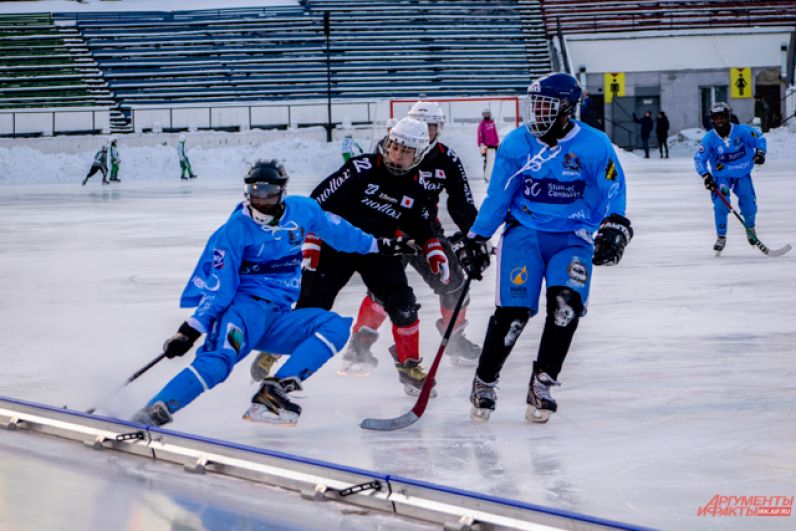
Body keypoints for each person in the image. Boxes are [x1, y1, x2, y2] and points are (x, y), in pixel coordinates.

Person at [130, 160, 414, 427]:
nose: (261, 199)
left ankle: (274, 390)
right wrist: (189, 330)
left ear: (282, 192)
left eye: (269, 192)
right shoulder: (233, 231)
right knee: (217, 364)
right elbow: (219, 289)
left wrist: (381, 246)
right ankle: (156, 409)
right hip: (243, 313)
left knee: (335, 326)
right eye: (255, 191)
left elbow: (339, 232)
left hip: (277, 318)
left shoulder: (303, 210)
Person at [457, 72, 632, 423]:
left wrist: (615, 224)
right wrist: (477, 236)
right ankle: (485, 380)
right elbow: (499, 195)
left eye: (544, 106)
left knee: (565, 305)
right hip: (524, 233)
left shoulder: (594, 145)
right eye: (533, 104)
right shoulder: (516, 144)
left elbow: (613, 187)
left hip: (573, 237)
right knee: (513, 313)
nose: (535, 112)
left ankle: (543, 382)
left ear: (567, 109)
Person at [292, 117, 448, 396]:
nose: (397, 154)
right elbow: (315, 204)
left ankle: (409, 366)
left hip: (378, 249)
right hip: (335, 245)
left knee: (404, 304)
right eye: (394, 147)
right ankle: (275, 357)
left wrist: (433, 249)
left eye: (406, 151)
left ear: (419, 155)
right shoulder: (360, 168)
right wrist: (312, 242)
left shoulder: (416, 185)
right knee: (312, 306)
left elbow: (422, 223)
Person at [343, 101, 481, 376]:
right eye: (422, 124)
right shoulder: (390, 149)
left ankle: (454, 338)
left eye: (431, 126)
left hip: (426, 231)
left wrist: (475, 236)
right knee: (384, 292)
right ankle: (359, 342)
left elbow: (461, 202)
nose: (426, 131)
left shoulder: (447, 158)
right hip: (388, 230)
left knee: (453, 282)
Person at [694, 101, 767, 255]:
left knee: (749, 204)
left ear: (728, 117)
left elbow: (759, 138)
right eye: (716, 119)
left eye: (722, 118)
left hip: (742, 174)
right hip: (722, 178)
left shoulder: (742, 131)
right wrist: (705, 175)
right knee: (721, 204)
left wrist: (760, 152)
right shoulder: (709, 139)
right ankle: (721, 236)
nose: (719, 122)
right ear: (712, 120)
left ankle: (751, 229)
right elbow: (699, 159)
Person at [477, 108, 501, 182]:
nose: (487, 115)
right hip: (486, 146)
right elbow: (480, 134)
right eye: (485, 114)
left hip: (494, 145)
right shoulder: (482, 124)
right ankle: (487, 177)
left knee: (495, 161)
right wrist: (481, 145)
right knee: (487, 162)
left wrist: (497, 142)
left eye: (488, 114)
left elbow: (495, 133)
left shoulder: (492, 122)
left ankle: (494, 176)